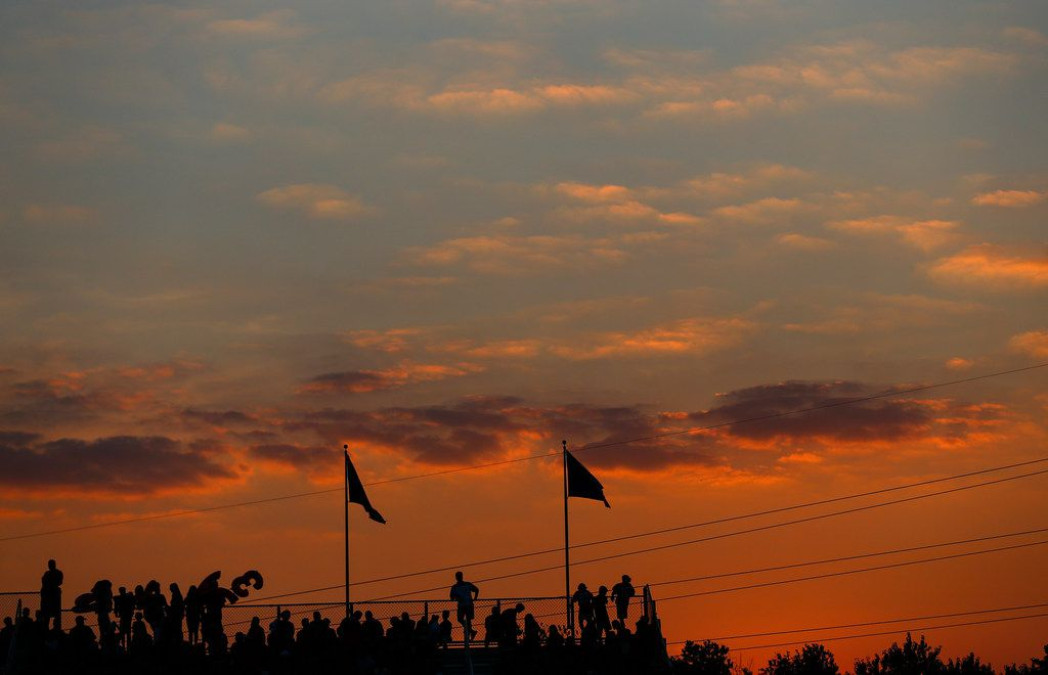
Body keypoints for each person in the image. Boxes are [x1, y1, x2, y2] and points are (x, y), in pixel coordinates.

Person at [448, 571, 479, 639]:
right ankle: (470, 631)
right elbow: (451, 597)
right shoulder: (455, 587)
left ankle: (469, 633)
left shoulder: (466, 584)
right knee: (461, 619)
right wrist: (457, 597)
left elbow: (476, 589)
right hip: (463, 605)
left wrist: (475, 598)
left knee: (467, 620)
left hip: (467, 605)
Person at [40, 559, 63, 630]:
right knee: (46, 616)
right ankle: (45, 629)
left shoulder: (58, 573)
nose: (50, 566)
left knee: (56, 614)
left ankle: (57, 628)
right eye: (49, 564)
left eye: (51, 564)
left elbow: (60, 582)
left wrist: (51, 586)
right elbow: (43, 582)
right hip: (46, 598)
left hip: (54, 597)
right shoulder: (46, 573)